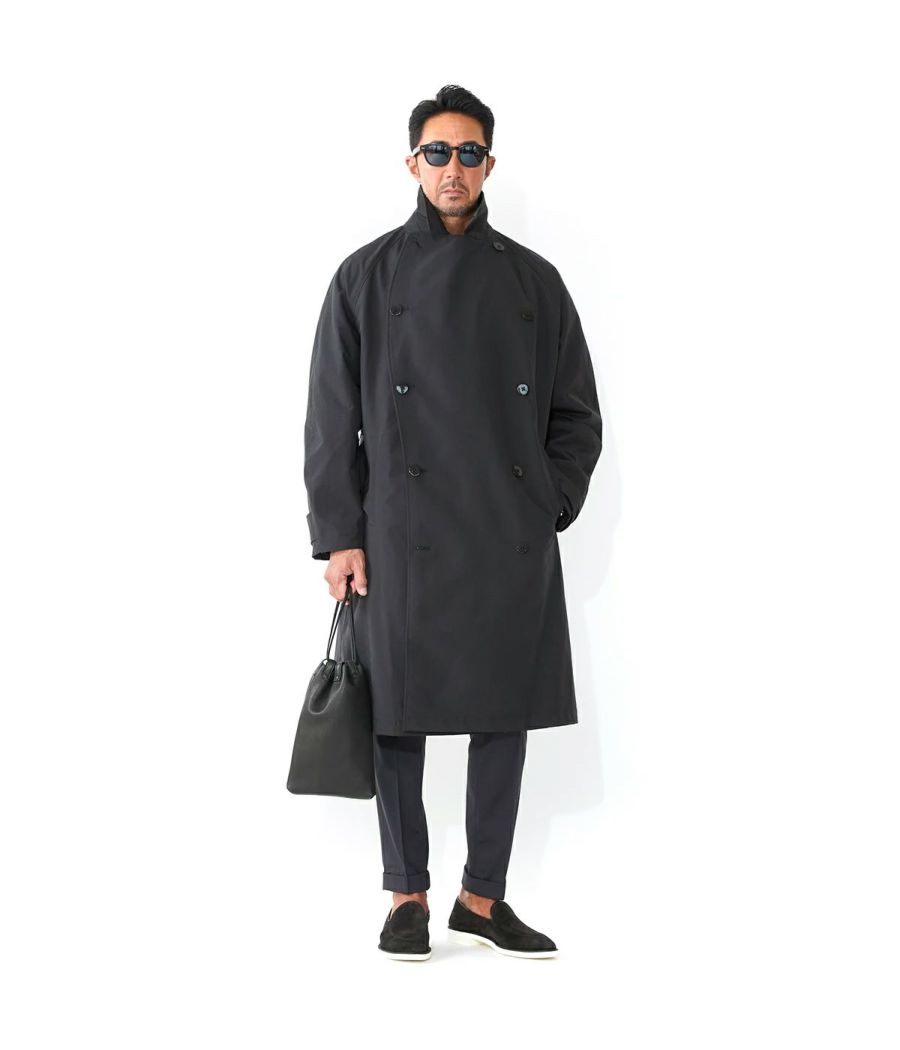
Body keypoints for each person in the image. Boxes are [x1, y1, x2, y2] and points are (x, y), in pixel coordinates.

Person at [303, 85, 603, 960]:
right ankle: (407, 894)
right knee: (396, 714)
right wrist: (341, 534)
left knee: (502, 715)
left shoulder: (535, 282)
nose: (453, 168)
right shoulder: (364, 277)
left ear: (489, 165)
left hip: (507, 531)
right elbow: (331, 422)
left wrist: (546, 499)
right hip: (401, 531)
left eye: (469, 153)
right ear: (413, 163)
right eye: (438, 152)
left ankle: (482, 897)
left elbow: (576, 414)